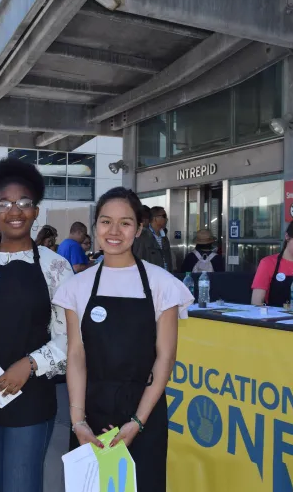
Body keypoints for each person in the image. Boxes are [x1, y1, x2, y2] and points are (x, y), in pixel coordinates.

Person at [54, 187, 193, 492]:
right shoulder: (77, 287)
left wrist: (138, 422)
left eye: (125, 223)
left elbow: (165, 358)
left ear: (139, 228)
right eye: (106, 222)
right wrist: (78, 421)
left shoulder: (162, 284)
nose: (114, 231)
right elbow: (76, 355)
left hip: (144, 410)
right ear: (95, 226)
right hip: (90, 410)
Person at [0, 157, 74, 492]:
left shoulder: (56, 267)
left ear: (36, 211)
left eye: (23, 203)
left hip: (31, 397)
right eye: (4, 203)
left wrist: (30, 364)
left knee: (23, 483)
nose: (14, 210)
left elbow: (68, 339)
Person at [133, 206, 173, 272]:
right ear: (155, 219)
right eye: (164, 216)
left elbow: (169, 262)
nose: (166, 219)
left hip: (164, 277)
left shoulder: (164, 238)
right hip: (149, 278)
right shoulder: (142, 237)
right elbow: (137, 260)